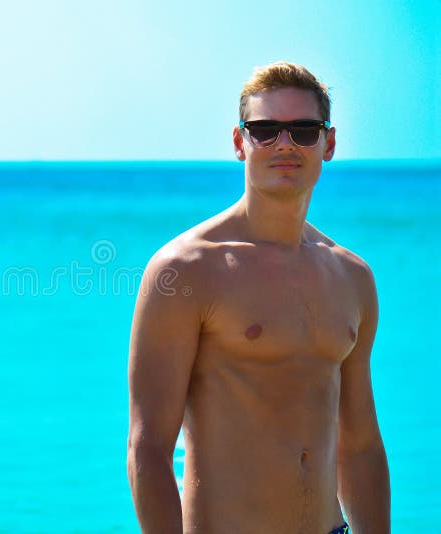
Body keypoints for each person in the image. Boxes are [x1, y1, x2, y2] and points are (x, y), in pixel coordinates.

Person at [126, 62, 390, 533]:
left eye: (303, 130)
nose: (284, 144)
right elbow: (147, 447)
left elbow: (361, 444)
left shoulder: (352, 276)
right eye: (265, 130)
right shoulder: (185, 270)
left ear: (328, 144)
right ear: (238, 142)